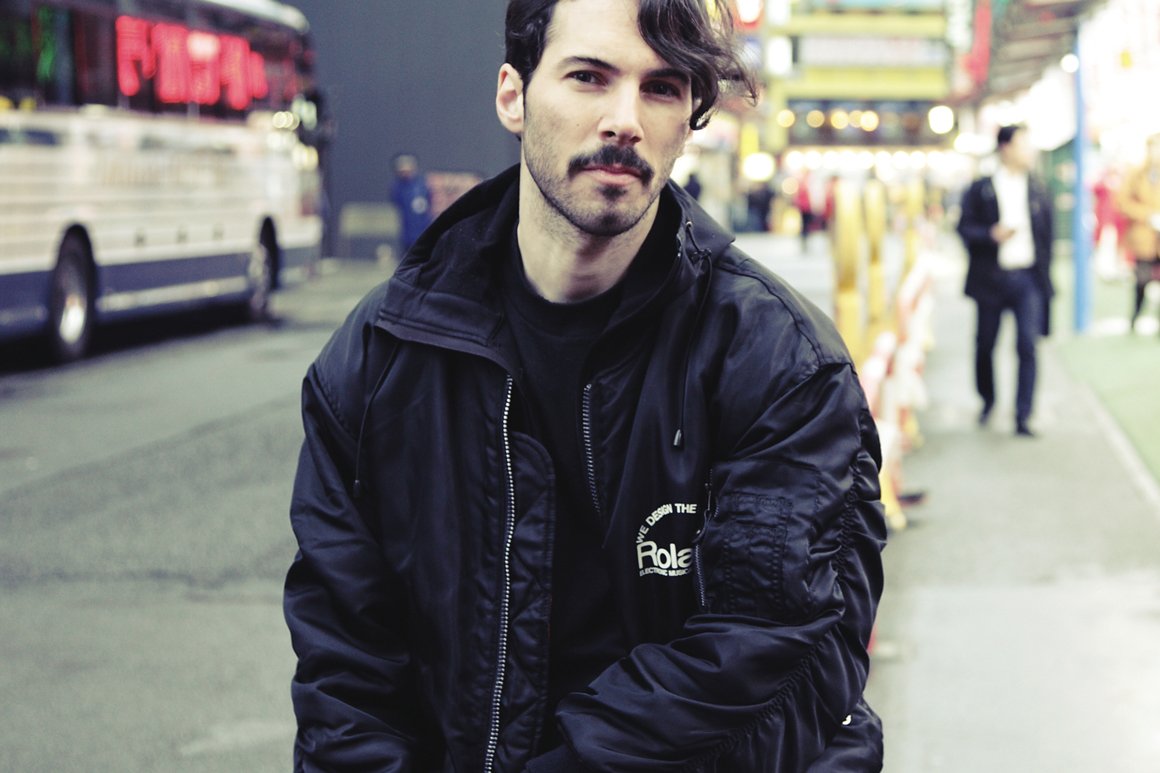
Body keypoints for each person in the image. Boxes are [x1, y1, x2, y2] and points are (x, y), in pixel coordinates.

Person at [284, 1, 887, 770]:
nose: (624, 120)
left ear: (688, 121)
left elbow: (772, 659)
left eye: (661, 88)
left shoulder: (778, 364)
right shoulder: (379, 357)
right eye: (589, 77)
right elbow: (346, 675)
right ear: (513, 95)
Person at [956, 124, 1054, 437]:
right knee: (986, 344)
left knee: (1028, 345)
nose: (1030, 151)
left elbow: (1047, 238)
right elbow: (963, 228)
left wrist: (1046, 281)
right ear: (1006, 148)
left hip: (1027, 279)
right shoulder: (981, 188)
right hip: (990, 279)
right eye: (1024, 144)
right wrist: (990, 235)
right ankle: (988, 399)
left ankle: (1023, 415)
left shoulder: (1038, 189)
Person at [1116, 133, 1160, 333]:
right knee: (1142, 280)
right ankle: (1134, 317)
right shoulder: (1137, 174)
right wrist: (1148, 216)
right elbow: (1122, 202)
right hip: (1144, 238)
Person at [390, 152, 432, 253]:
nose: (405, 172)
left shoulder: (422, 185)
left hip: (423, 231)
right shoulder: (397, 187)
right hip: (407, 233)